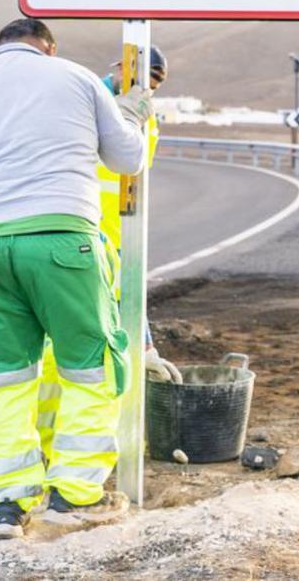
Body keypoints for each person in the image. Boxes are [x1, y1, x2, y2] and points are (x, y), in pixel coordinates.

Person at [0, 18, 151, 541]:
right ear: (48, 47)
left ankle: (5, 506)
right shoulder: (74, 77)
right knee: (90, 367)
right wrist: (129, 116)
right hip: (62, 240)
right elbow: (128, 159)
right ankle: (73, 496)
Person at [35, 45, 180, 463]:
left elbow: (130, 195)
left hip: (106, 248)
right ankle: (54, 464)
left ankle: (68, 464)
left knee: (88, 363)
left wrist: (146, 343)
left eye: (152, 82)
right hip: (65, 239)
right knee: (66, 366)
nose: (143, 86)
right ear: (118, 67)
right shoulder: (74, 103)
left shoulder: (143, 122)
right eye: (137, 75)